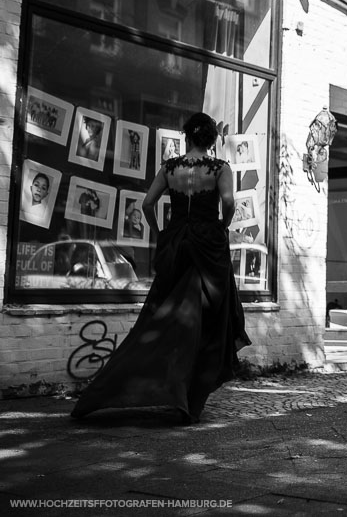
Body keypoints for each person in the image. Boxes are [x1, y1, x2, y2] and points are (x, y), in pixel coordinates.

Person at [71, 112, 251, 425]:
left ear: (187, 137)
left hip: (177, 243)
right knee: (207, 324)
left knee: (160, 321)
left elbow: (147, 204)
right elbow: (228, 201)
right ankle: (190, 398)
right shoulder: (221, 168)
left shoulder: (170, 168)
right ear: (211, 139)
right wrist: (222, 224)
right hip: (208, 246)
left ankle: (122, 389)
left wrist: (160, 233)